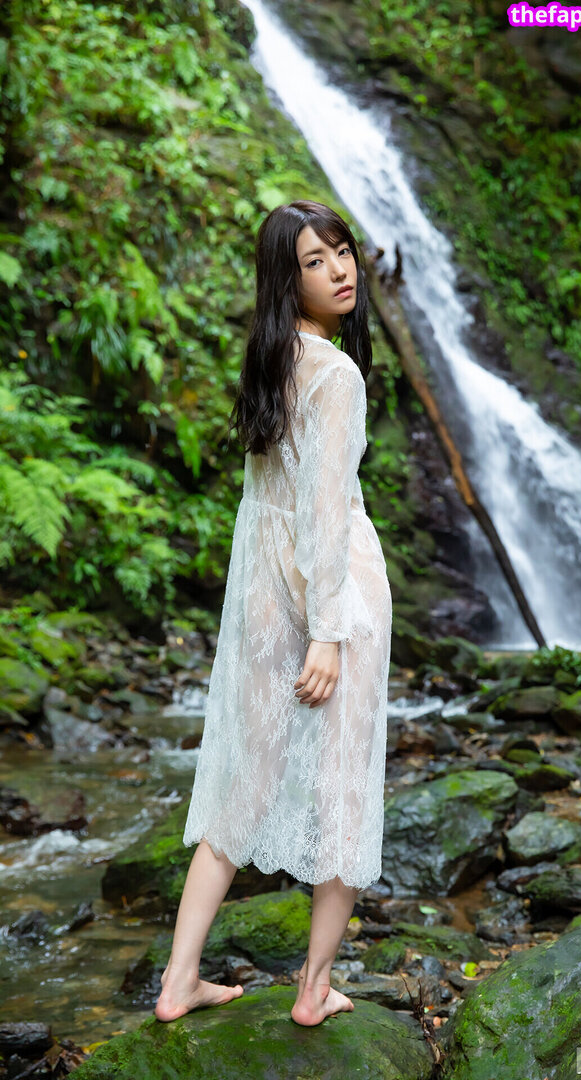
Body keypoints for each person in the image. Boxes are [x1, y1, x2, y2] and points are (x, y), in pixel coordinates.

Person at [154, 200, 392, 1028]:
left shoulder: (270, 360)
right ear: (288, 282)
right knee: (344, 786)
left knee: (240, 779)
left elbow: (272, 506)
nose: (340, 270)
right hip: (334, 593)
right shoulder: (336, 373)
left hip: (261, 588)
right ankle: (313, 989)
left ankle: (179, 979)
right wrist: (327, 629)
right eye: (315, 261)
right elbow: (324, 513)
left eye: (342, 251)